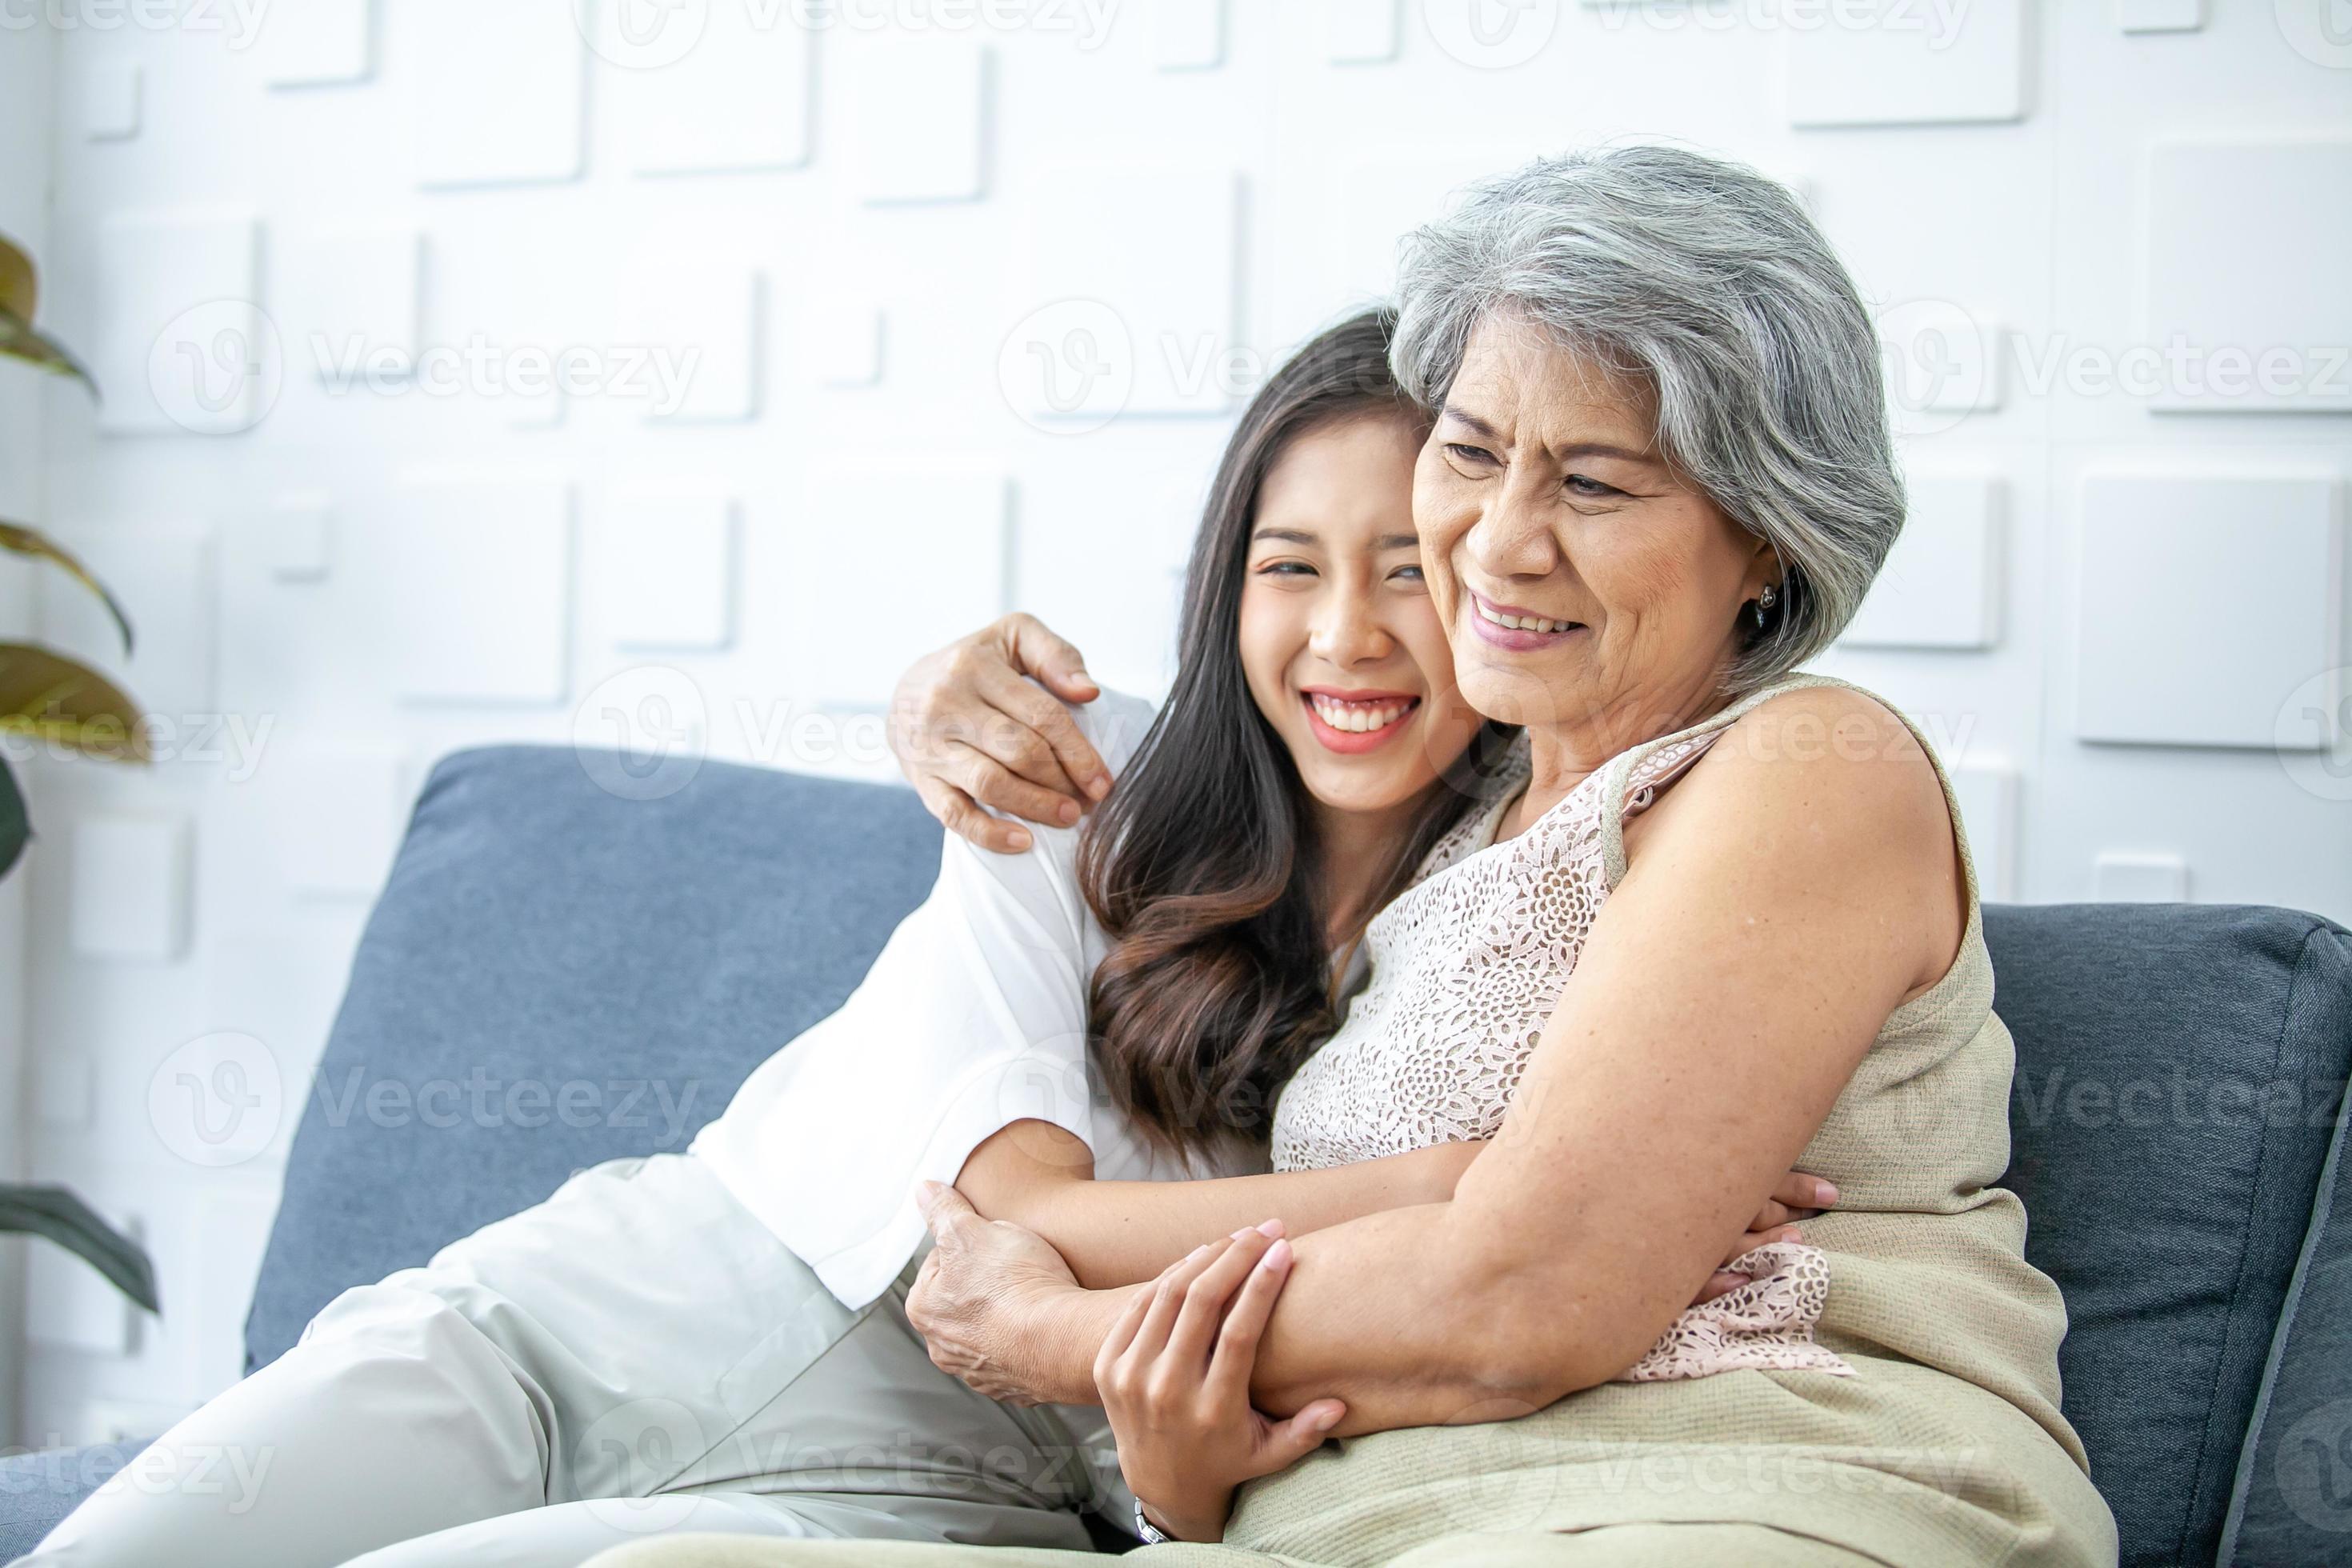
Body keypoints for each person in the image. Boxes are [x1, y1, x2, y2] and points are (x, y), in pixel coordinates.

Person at [22, 308, 1828, 1568]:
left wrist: (1480, 1223)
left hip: (958, 1498)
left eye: (1412, 572)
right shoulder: (1074, 774)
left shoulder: (1518, 921)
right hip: (614, 1320)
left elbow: (1300, 1362)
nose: (1348, 635)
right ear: (1227, 587)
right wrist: (1470, 1184)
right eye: (1291, 564)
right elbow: (1011, 1228)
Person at [592, 145, 2119, 1568]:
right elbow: (1265, 1418)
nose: (1498, 541)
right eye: (1469, 453)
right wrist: (941, 693)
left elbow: (1523, 1299)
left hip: (1757, 1489)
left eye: (1593, 483)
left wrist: (1062, 1329)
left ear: (1770, 534)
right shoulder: (1446, 847)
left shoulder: (1803, 765)